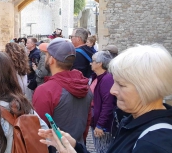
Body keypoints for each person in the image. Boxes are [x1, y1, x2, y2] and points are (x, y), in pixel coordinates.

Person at [39, 44, 172, 153]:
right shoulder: (133, 122)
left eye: (121, 85)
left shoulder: (155, 143)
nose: (113, 90)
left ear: (147, 88)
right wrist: (74, 146)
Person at [33, 38, 93, 153]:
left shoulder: (45, 90)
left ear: (52, 60)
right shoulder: (85, 86)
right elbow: (86, 123)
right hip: (76, 146)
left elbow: (39, 132)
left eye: (46, 55)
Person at [90, 51, 115, 153]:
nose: (91, 63)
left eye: (93, 61)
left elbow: (108, 104)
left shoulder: (107, 79)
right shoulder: (97, 77)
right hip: (96, 120)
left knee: (103, 150)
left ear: (100, 63)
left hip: (103, 125)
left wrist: (100, 124)